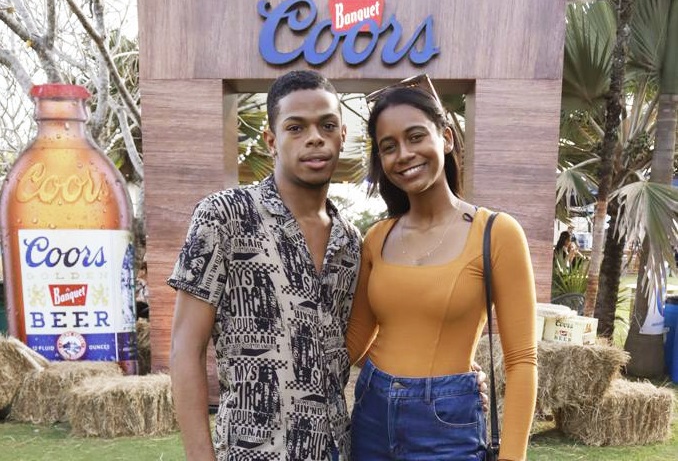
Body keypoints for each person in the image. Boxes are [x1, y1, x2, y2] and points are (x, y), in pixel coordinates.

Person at [167, 70, 488, 461]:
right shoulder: (224, 215)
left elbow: (349, 343)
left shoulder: (351, 241)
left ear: (342, 136)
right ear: (271, 141)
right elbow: (185, 347)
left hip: (336, 449)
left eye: (327, 125)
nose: (314, 138)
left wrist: (448, 377)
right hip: (253, 451)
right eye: (296, 128)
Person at [345, 75, 538, 460]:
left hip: (447, 424)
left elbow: (521, 361)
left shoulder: (496, 233)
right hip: (371, 411)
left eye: (416, 136)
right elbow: (355, 341)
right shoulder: (377, 237)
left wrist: (512, 456)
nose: (403, 154)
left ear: (446, 138)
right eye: (388, 146)